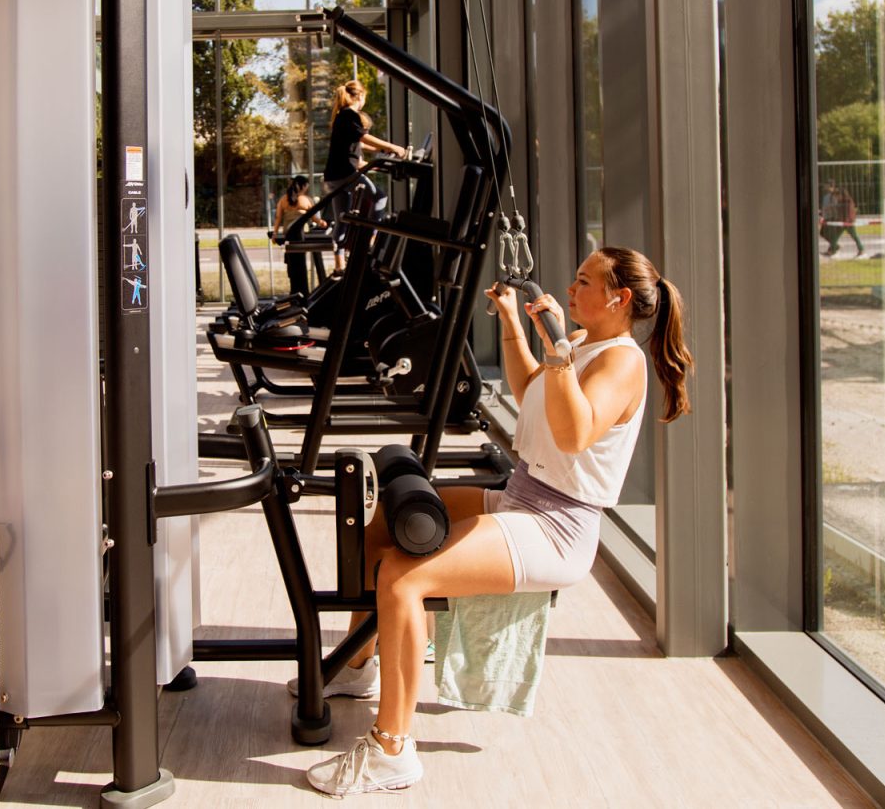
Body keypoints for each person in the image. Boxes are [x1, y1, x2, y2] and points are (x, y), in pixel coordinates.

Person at [303, 247, 692, 797]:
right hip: (522, 495)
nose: (570, 288)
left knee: (403, 577)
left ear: (619, 298)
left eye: (584, 281)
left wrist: (558, 351)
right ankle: (359, 664)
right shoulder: (585, 342)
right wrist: (514, 322)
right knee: (382, 523)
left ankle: (391, 751)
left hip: (556, 525)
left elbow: (574, 435)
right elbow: (534, 390)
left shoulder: (622, 362)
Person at [322, 80, 406, 270]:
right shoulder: (349, 114)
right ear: (360, 96)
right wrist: (392, 147)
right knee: (379, 197)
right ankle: (369, 237)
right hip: (344, 174)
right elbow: (363, 137)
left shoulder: (341, 116)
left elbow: (358, 144)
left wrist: (380, 153)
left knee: (342, 219)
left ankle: (339, 265)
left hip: (333, 176)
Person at [273, 175, 327, 296]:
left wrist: (275, 233)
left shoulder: (283, 199)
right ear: (303, 186)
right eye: (306, 186)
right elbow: (314, 218)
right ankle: (303, 292)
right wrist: (322, 223)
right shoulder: (306, 200)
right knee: (301, 264)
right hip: (300, 236)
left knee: (292, 265)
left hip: (288, 235)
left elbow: (278, 218)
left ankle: (294, 291)